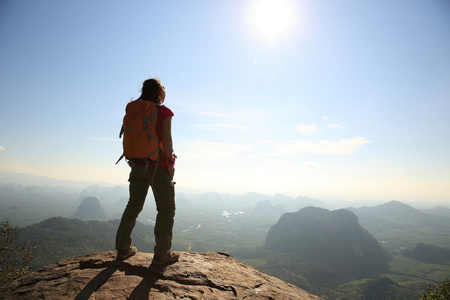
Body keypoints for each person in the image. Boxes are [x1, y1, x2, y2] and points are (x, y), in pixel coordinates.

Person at [115, 78, 179, 265]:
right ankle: (161, 254)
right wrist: (170, 163)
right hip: (157, 167)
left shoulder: (134, 109)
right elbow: (167, 140)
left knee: (133, 205)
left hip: (137, 166)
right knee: (166, 209)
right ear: (159, 93)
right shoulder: (164, 112)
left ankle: (122, 249)